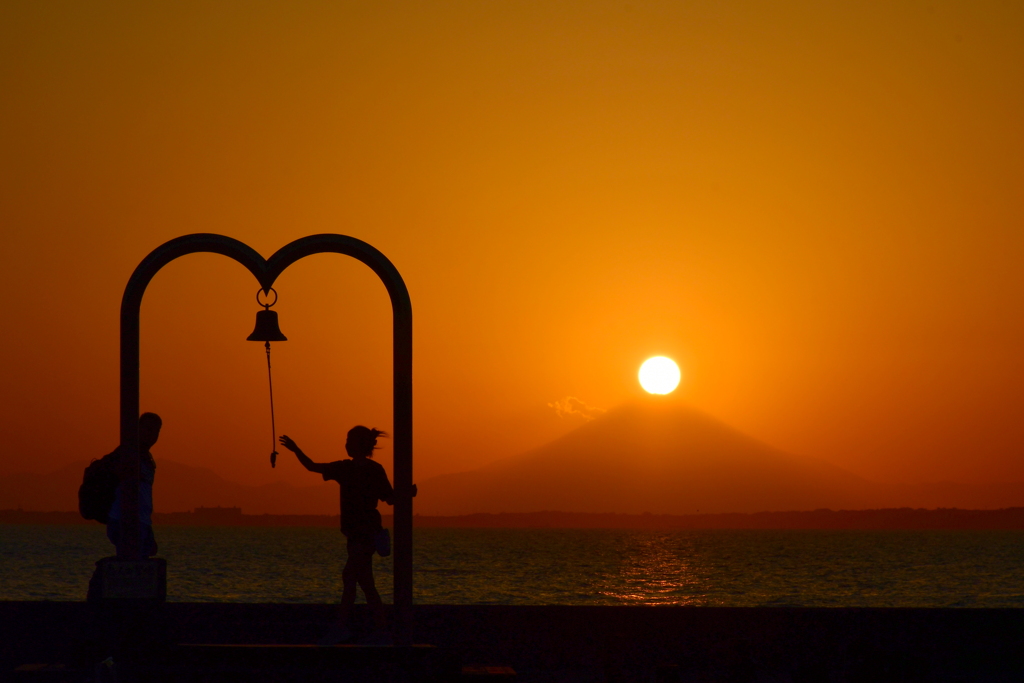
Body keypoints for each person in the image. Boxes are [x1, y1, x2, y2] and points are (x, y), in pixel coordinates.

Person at [279, 426, 415, 645]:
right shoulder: (368, 469)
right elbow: (390, 498)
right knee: (361, 582)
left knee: (352, 578)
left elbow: (311, 466)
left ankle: (348, 629)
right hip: (361, 533)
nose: (345, 444)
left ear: (356, 444)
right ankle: (377, 630)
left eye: (348, 440)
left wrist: (296, 450)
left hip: (364, 534)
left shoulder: (350, 469)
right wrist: (407, 493)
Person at [107, 412, 162, 557]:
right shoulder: (128, 453)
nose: (152, 434)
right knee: (133, 562)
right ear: (138, 429)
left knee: (148, 552)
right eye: (148, 429)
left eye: (156, 430)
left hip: (142, 521)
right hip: (125, 521)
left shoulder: (147, 458)